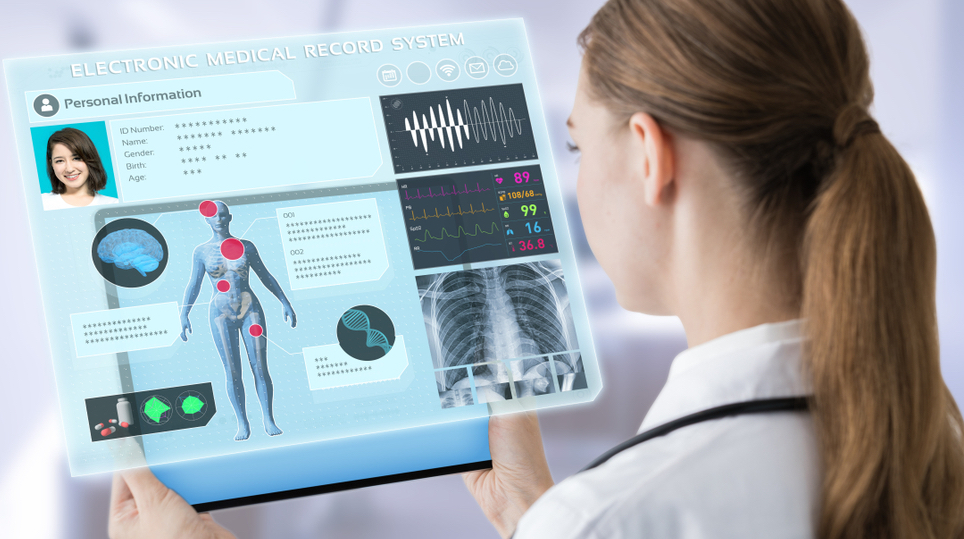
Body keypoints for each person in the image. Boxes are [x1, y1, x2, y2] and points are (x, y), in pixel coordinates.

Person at [108, 0, 964, 538]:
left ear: (647, 154)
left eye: (575, 144)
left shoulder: (616, 517)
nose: (574, 179)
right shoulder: (935, 447)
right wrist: (538, 517)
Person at [179, 201, 295, 441]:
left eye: (223, 215)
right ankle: (243, 423)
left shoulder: (247, 246)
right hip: (220, 313)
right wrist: (184, 313)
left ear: (230, 217)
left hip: (250, 309)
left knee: (260, 367)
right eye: (215, 216)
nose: (219, 219)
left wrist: (285, 302)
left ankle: (268, 419)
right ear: (207, 220)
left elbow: (265, 275)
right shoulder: (201, 251)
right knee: (232, 371)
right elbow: (194, 283)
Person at [41, 127, 118, 210]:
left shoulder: (114, 205)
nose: (69, 169)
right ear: (51, 164)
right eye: (60, 161)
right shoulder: (41, 203)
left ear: (90, 158)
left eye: (76, 158)